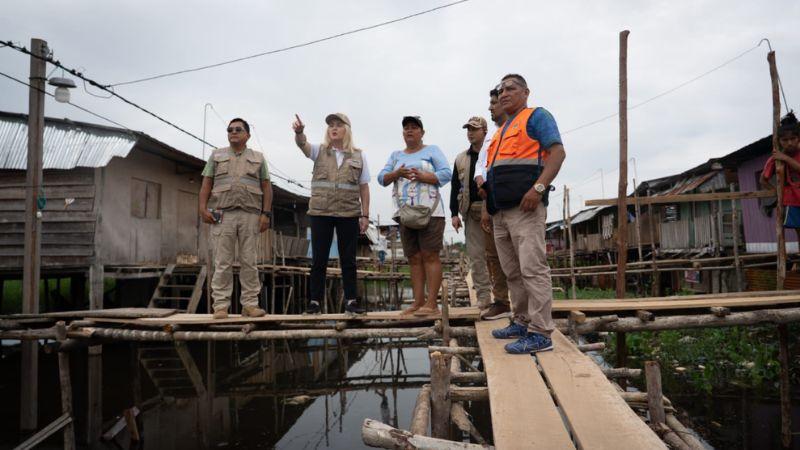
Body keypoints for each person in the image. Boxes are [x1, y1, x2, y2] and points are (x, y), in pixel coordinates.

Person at [485, 74, 566, 354]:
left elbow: (557, 153)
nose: (504, 93)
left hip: (526, 208)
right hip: (501, 211)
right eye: (501, 89)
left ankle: (541, 332)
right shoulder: (502, 129)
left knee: (532, 268)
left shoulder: (536, 116)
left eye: (511, 88)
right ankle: (521, 321)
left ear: (526, 92)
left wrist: (538, 188)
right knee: (513, 272)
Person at [292, 113, 370, 314]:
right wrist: (300, 133)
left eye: (338, 125)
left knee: (348, 260)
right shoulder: (319, 150)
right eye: (330, 126)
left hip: (348, 213)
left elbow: (364, 187)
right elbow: (303, 146)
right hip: (320, 211)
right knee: (319, 259)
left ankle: (351, 301)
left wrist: (365, 215)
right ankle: (315, 302)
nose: (333, 128)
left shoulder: (359, 156)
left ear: (347, 130)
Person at [378, 116, 452, 316]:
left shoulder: (432, 150)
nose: (409, 131)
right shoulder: (395, 156)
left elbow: (446, 173)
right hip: (406, 214)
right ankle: (418, 302)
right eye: (406, 128)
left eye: (414, 127)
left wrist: (424, 176)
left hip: (431, 212)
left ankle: (432, 304)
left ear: (422, 132)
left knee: (430, 254)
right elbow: (381, 178)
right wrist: (397, 173)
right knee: (414, 257)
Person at [199, 118, 272, 319]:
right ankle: (221, 306)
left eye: (238, 129)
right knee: (222, 262)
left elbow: (266, 186)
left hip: (250, 214)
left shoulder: (258, 158)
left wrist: (266, 214)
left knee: (249, 261)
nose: (233, 132)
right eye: (230, 129)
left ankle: (249, 305)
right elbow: (207, 182)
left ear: (247, 135)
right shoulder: (216, 155)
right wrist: (202, 209)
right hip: (222, 213)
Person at [449, 116, 493, 313]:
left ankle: (504, 297)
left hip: (494, 209)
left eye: (474, 129)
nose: (470, 132)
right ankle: (484, 297)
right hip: (470, 210)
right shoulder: (461, 158)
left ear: (484, 130)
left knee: (500, 256)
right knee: (476, 257)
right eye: (468, 129)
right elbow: (454, 187)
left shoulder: (493, 152)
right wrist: (454, 214)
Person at [474, 89, 512, 320]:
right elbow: (482, 166)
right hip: (493, 201)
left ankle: (528, 309)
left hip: (518, 202)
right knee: (494, 256)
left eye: (494, 103)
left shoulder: (521, 128)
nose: (490, 107)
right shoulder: (491, 137)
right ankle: (501, 302)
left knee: (523, 255)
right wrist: (482, 185)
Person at [760, 112, 800, 238]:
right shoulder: (776, 159)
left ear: (799, 138)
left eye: (793, 139)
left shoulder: (783, 157)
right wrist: (778, 194)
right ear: (779, 141)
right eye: (785, 140)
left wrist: (786, 158)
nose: (789, 143)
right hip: (792, 202)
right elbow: (763, 180)